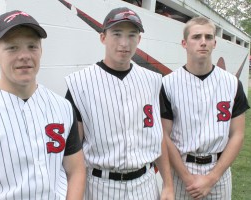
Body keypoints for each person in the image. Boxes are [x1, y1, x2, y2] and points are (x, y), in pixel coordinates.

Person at [0, 10, 86, 200]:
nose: (24, 55)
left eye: (32, 46)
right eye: (12, 48)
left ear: (41, 51)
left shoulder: (62, 107)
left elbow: (76, 171)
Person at [65, 7, 174, 200]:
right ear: (103, 37)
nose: (124, 43)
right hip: (100, 186)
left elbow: (159, 139)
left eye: (132, 35)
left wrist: (168, 184)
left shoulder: (154, 81)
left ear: (138, 40)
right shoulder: (79, 83)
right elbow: (74, 152)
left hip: (146, 184)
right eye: (116, 34)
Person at [161, 16, 250, 200]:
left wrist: (212, 178)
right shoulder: (167, 84)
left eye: (208, 37)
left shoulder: (232, 83)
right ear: (184, 43)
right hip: (181, 171)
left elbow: (238, 134)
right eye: (196, 37)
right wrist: (187, 178)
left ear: (215, 43)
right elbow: (164, 135)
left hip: (219, 171)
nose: (203, 42)